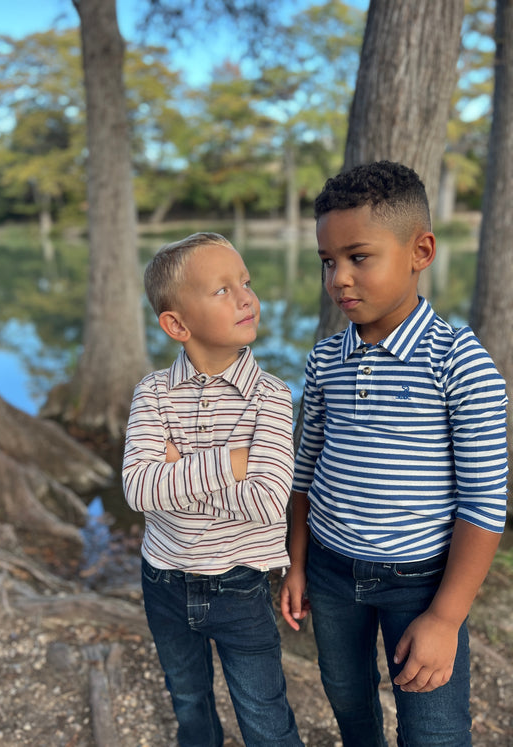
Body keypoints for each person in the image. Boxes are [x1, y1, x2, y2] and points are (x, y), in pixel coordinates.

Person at [280, 161, 509, 747]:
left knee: (433, 729)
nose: (338, 279)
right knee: (351, 707)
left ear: (421, 250)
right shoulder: (326, 358)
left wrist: (446, 617)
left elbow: (484, 503)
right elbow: (304, 470)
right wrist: (299, 562)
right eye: (328, 262)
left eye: (359, 257)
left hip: (421, 584)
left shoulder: (459, 362)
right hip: (331, 574)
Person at [123, 232, 303, 747]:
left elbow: (270, 502)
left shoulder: (271, 394)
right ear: (177, 324)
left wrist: (180, 471)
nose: (247, 298)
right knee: (188, 700)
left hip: (240, 587)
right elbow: (139, 488)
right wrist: (235, 461)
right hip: (163, 580)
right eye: (222, 290)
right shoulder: (152, 392)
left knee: (265, 715)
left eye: (245, 282)